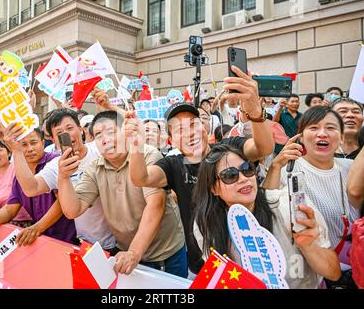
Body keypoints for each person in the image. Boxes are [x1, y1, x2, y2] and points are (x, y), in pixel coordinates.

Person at [127, 66, 275, 274]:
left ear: (204, 127)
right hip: (202, 264)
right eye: (179, 129)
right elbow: (141, 178)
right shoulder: (173, 165)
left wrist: (256, 112)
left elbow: (264, 148)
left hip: (251, 257)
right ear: (171, 140)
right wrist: (135, 145)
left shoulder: (228, 149)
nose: (189, 133)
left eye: (194, 124)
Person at [192, 144, 340, 288]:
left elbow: (334, 273)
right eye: (230, 175)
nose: (244, 178)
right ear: (213, 188)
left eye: (247, 169)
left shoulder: (286, 206)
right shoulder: (206, 222)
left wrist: (309, 246)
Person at [58, 110, 186, 277]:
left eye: (111, 132)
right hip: (127, 254)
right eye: (98, 135)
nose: (105, 139)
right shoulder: (95, 167)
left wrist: (134, 252)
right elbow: (72, 210)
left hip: (164, 254)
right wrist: (63, 177)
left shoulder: (147, 154)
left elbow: (156, 206)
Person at [264, 106, 361, 287]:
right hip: (315, 269)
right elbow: (268, 206)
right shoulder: (288, 169)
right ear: (301, 136)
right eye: (314, 128)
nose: (322, 134)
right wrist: (276, 166)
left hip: (357, 267)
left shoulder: (352, 167)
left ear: (341, 137)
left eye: (331, 128)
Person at [3, 108, 115, 250]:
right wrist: (17, 150)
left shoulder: (100, 149)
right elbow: (31, 188)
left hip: (119, 240)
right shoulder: (57, 165)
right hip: (87, 242)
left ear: (81, 130)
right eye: (59, 133)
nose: (66, 134)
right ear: (53, 140)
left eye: (70, 128)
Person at [0, 129, 77, 245]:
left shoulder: (55, 162)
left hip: (68, 238)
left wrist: (37, 228)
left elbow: (62, 201)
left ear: (43, 142)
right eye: (23, 145)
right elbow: (9, 210)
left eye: (34, 143)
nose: (30, 149)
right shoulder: (19, 174)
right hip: (43, 240)